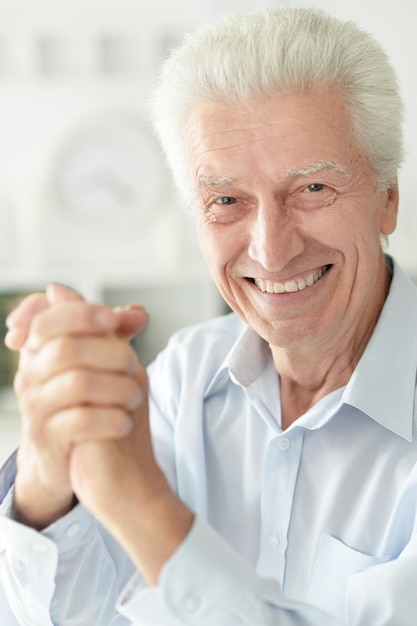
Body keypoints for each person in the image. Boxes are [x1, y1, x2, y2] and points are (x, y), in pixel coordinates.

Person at [0, 6, 416, 625]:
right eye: (226, 200)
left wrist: (144, 508)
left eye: (311, 189)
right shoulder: (181, 378)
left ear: (387, 200)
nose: (272, 249)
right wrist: (46, 480)